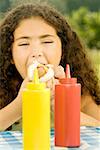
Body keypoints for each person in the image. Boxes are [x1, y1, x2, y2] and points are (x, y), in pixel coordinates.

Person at [0, 2, 100, 131]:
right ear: (10, 54)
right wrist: (21, 104)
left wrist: (65, 110)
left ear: (63, 49)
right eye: (24, 44)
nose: (36, 52)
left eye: (47, 41)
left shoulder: (78, 90)